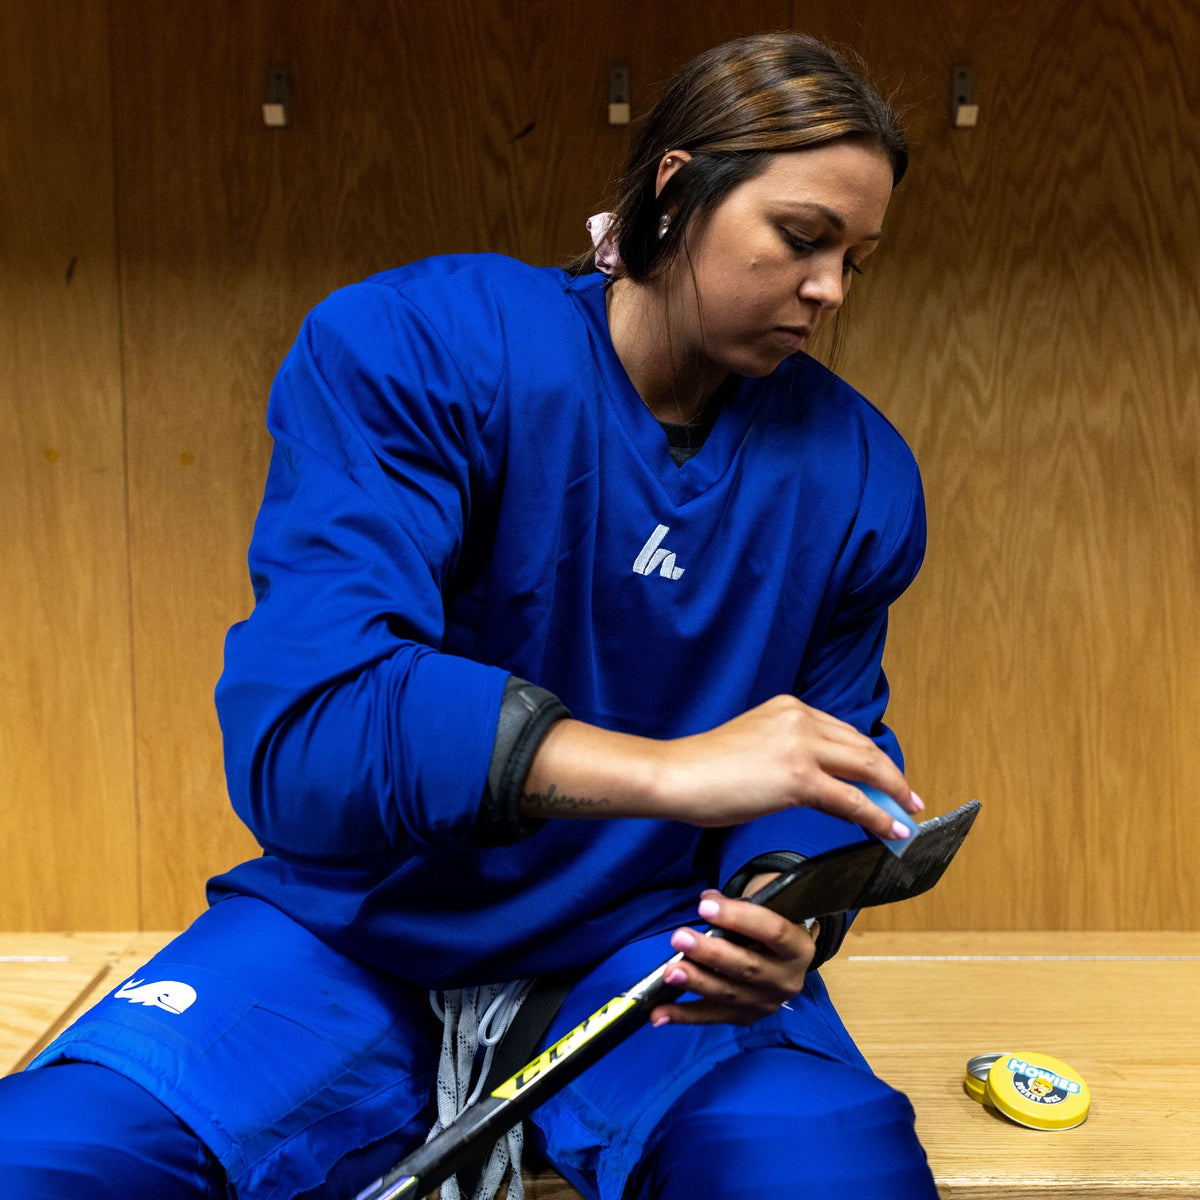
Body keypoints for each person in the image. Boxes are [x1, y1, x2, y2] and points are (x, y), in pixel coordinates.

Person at [0, 31, 938, 1200]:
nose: (829, 289)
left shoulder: (858, 469)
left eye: (857, 260)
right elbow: (309, 730)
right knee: (41, 1158)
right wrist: (671, 773)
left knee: (822, 1164)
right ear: (676, 189)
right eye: (801, 237)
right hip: (356, 935)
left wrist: (776, 904)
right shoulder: (421, 347)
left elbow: (827, 758)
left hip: (649, 950)